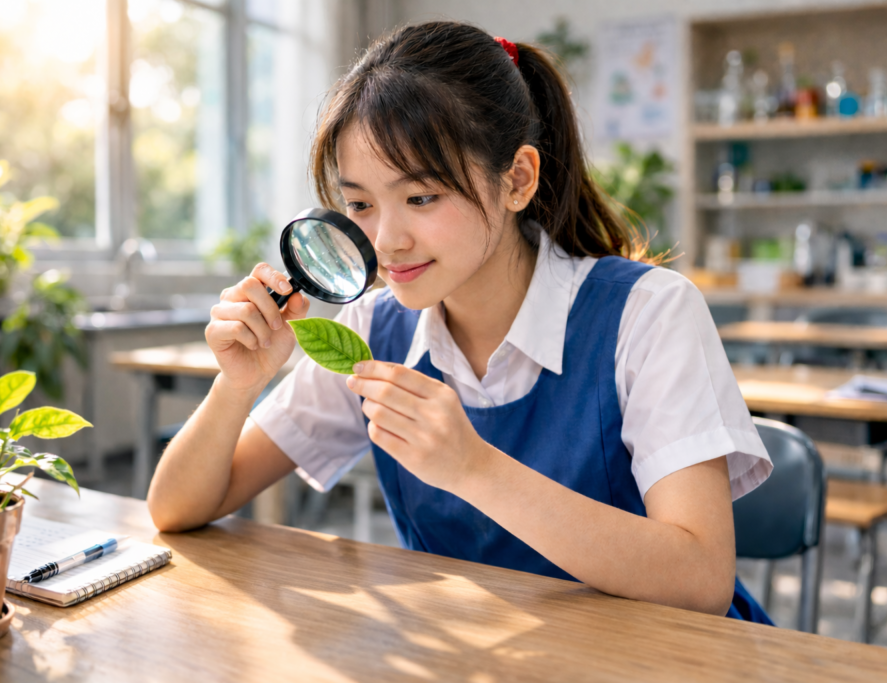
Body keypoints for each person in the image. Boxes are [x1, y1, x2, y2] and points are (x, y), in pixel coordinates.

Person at [148, 21, 773, 623]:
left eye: (421, 198)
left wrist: (474, 469)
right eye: (360, 204)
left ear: (517, 180)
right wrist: (238, 384)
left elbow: (701, 582)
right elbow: (176, 509)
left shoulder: (648, 312)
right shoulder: (370, 332)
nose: (386, 240)